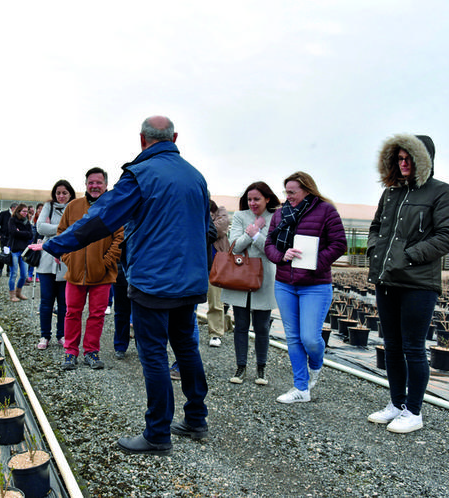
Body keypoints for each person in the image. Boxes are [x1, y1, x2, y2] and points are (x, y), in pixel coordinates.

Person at [44, 115, 210, 456]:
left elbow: (101, 218)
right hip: (190, 281)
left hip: (154, 281)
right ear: (174, 137)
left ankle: (157, 433)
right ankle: (196, 419)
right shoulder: (196, 177)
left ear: (141, 140)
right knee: (186, 347)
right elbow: (206, 230)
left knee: (153, 354)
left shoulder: (141, 174)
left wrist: (54, 245)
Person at [366, 134, 449, 433]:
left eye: (409, 159)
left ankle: (414, 411)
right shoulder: (391, 192)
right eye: (399, 158)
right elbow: (376, 227)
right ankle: (396, 403)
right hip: (387, 280)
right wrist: (373, 251)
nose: (403, 163)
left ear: (423, 160)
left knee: (414, 347)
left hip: (418, 282)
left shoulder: (441, 192)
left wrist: (407, 257)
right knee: (391, 345)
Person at [264, 171, 347, 404]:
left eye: (292, 192)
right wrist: (282, 255)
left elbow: (340, 244)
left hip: (315, 285)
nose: (287, 196)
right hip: (285, 283)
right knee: (292, 336)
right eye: (286, 192)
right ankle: (301, 387)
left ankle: (317, 364)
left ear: (307, 190)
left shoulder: (326, 211)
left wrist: (313, 263)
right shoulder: (280, 215)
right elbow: (269, 243)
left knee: (310, 337)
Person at [55, 167, 123, 371]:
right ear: (85, 185)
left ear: (105, 185)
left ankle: (91, 352)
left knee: (97, 315)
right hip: (75, 274)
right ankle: (70, 352)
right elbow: (61, 234)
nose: (94, 186)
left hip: (102, 275)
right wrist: (69, 258)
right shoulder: (73, 207)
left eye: (98, 182)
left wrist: (106, 262)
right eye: (91, 182)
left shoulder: (113, 208)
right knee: (71, 313)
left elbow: (120, 238)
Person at [223, 182, 281, 385]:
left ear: (267, 198)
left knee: (262, 326)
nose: (252, 203)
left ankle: (261, 369)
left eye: (257, 199)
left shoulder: (276, 217)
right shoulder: (240, 216)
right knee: (240, 325)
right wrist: (253, 231)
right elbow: (236, 246)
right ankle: (240, 367)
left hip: (264, 278)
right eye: (249, 199)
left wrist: (256, 234)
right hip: (240, 276)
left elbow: (272, 250)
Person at [35, 180, 76, 350]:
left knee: (64, 303)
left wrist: (52, 228)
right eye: (58, 193)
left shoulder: (74, 207)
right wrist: (62, 228)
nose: (61, 196)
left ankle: (62, 335)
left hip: (66, 261)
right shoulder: (48, 206)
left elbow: (75, 229)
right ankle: (45, 335)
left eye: (64, 193)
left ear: (70, 194)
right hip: (46, 261)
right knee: (46, 301)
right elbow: (39, 228)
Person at [207, 200, 230, 347]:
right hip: (197, 261)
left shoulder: (220, 211)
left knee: (216, 300)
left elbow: (218, 230)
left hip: (216, 262)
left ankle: (216, 333)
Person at [7, 203, 33, 302]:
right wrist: (23, 233)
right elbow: (13, 232)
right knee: (13, 274)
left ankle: (19, 292)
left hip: (24, 251)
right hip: (14, 250)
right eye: (24, 211)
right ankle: (12, 295)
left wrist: (20, 232)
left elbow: (30, 235)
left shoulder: (27, 222)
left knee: (24, 274)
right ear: (18, 211)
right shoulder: (12, 220)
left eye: (27, 211)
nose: (26, 213)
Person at [0, 202, 18, 276]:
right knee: (3, 254)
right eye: (17, 209)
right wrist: (0, 235)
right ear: (12, 208)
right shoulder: (3, 214)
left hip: (12, 238)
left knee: (10, 254)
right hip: (4, 238)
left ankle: (8, 271)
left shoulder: (16, 216)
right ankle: (0, 270)